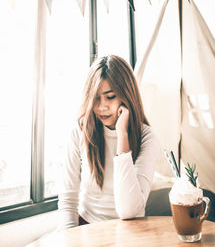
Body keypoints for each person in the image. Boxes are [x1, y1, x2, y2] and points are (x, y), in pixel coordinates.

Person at [57, 55, 160, 230]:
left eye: (110, 97)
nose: (101, 107)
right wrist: (70, 240)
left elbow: (129, 211)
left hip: (131, 231)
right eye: (96, 98)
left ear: (126, 96)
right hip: (87, 228)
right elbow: (68, 200)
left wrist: (122, 135)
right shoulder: (80, 131)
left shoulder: (146, 137)